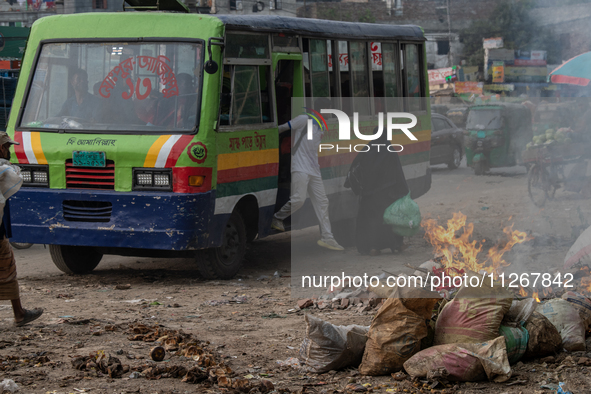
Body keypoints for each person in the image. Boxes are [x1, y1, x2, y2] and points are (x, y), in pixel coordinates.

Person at [271, 102, 344, 251]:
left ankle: (327, 237)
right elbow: (282, 128)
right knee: (299, 199)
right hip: (299, 167)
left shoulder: (321, 127)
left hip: (314, 170)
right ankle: (277, 218)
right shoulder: (304, 119)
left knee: (323, 202)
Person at [0, 132, 43, 326]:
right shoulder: (3, 168)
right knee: (8, 270)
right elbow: (13, 177)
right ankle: (19, 314)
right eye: (7, 147)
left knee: (8, 269)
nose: (9, 151)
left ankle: (19, 313)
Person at [346, 130, 409, 256]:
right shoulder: (389, 151)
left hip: (369, 196)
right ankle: (398, 245)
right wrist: (404, 192)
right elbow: (398, 174)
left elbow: (355, 167)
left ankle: (373, 248)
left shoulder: (367, 150)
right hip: (387, 195)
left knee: (371, 222)